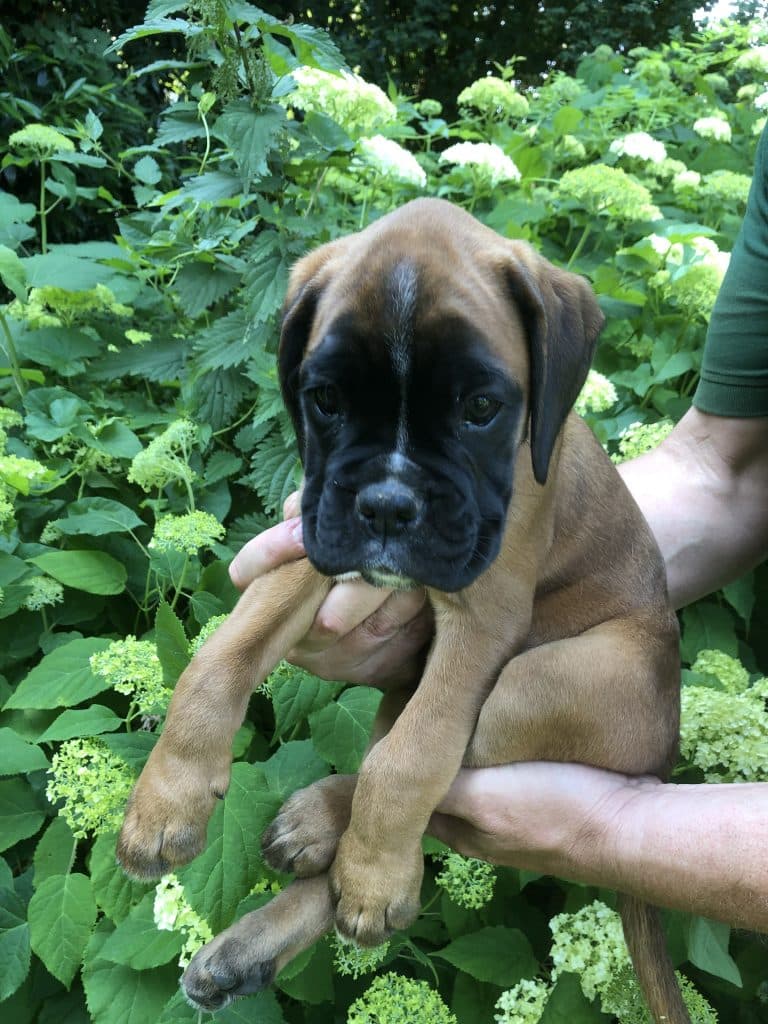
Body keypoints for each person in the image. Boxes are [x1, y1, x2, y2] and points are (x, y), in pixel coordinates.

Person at [229, 127, 768, 933]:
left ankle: (364, 814)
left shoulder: (524, 315)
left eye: (481, 406)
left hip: (601, 685)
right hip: (555, 642)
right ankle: (335, 870)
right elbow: (728, 468)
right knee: (427, 701)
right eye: (330, 401)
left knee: (417, 747)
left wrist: (617, 829)